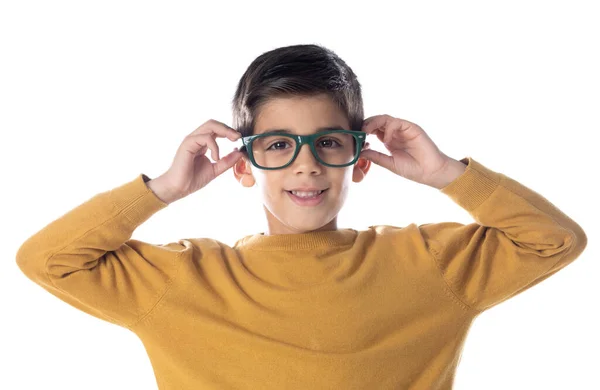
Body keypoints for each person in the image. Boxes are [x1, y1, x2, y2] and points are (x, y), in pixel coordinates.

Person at [16, 44, 587, 389]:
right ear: (243, 165)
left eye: (329, 143)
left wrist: (445, 173)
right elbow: (46, 260)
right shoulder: (182, 281)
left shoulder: (430, 264)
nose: (307, 166)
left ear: (359, 160)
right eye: (278, 146)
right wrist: (162, 189)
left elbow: (554, 241)